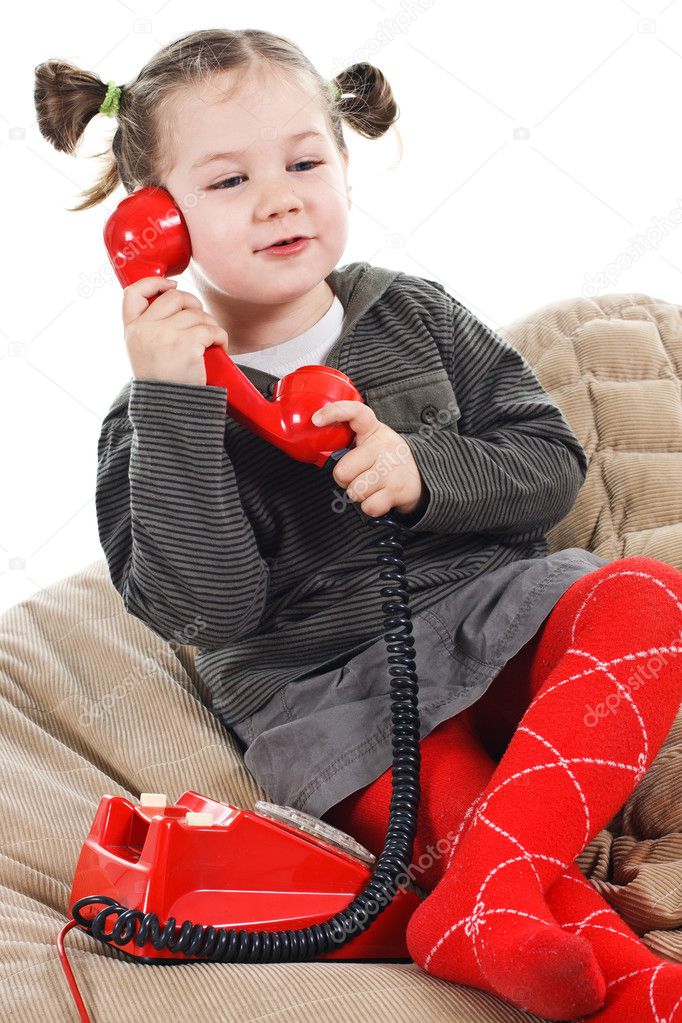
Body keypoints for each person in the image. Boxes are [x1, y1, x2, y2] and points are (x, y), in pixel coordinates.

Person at [34, 27, 682, 1021]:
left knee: (650, 597)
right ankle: (630, 984)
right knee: (469, 833)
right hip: (333, 700)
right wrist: (178, 402)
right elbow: (201, 607)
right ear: (151, 224)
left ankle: (482, 897)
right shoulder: (148, 420)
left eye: (304, 161)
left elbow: (548, 466)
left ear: (342, 161)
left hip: (494, 616)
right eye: (228, 180)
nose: (282, 196)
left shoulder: (413, 315)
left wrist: (422, 470)